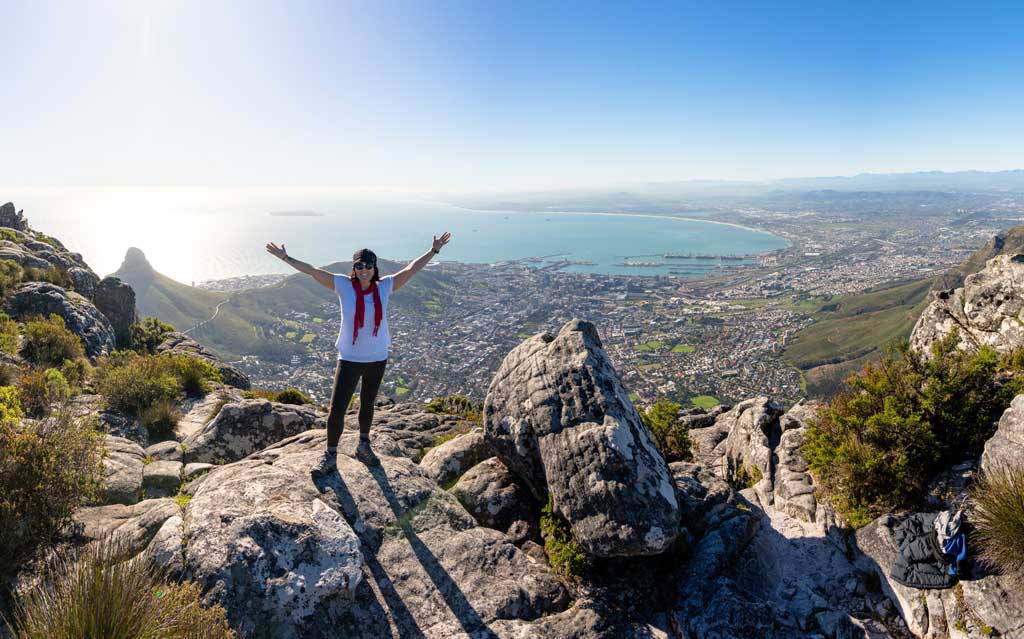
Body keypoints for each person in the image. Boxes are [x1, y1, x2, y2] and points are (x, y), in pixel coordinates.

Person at [265, 232, 451, 475]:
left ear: (375, 268)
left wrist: (433, 250)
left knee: (368, 403)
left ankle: (364, 445)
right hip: (350, 357)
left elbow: (411, 269)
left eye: (369, 265)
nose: (364, 270)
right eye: (359, 265)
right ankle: (330, 454)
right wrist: (285, 257)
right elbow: (312, 270)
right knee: (337, 409)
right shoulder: (343, 285)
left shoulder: (385, 287)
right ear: (354, 267)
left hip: (377, 357)